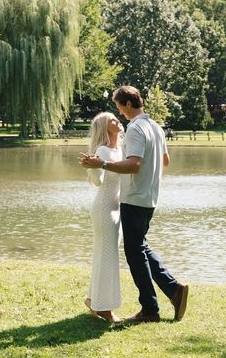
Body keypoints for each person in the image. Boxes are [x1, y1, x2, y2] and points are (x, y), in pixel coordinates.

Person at [79, 85, 188, 324]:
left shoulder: (136, 128)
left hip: (134, 198)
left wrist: (103, 165)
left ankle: (150, 309)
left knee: (134, 252)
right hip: (149, 197)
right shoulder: (156, 127)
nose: (120, 112)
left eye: (119, 106)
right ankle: (173, 290)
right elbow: (165, 160)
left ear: (128, 104)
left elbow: (134, 165)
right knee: (139, 247)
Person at [82, 112, 124, 323]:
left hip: (117, 207)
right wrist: (93, 168)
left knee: (106, 255)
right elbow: (98, 182)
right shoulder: (102, 150)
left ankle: (92, 299)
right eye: (112, 121)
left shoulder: (120, 149)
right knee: (107, 257)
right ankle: (105, 309)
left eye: (116, 119)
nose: (118, 122)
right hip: (103, 209)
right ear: (105, 128)